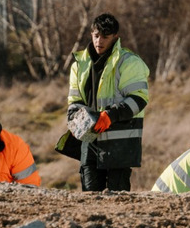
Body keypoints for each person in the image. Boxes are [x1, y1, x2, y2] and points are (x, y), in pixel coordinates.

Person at [56, 13, 150, 191]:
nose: (99, 41)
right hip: (90, 140)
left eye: (105, 37)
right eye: (96, 35)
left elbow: (139, 98)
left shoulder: (129, 62)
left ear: (116, 37)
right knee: (90, 199)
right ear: (91, 33)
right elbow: (74, 101)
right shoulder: (78, 64)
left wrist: (110, 116)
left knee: (118, 200)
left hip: (120, 144)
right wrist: (78, 119)